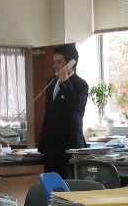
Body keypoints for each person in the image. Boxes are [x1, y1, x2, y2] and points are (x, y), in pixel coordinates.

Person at [37, 43, 89, 178]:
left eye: (59, 62)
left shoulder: (80, 84)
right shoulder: (51, 82)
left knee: (67, 188)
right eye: (54, 62)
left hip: (69, 146)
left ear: (70, 63)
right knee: (51, 188)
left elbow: (76, 107)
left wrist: (65, 81)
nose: (55, 65)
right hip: (50, 147)